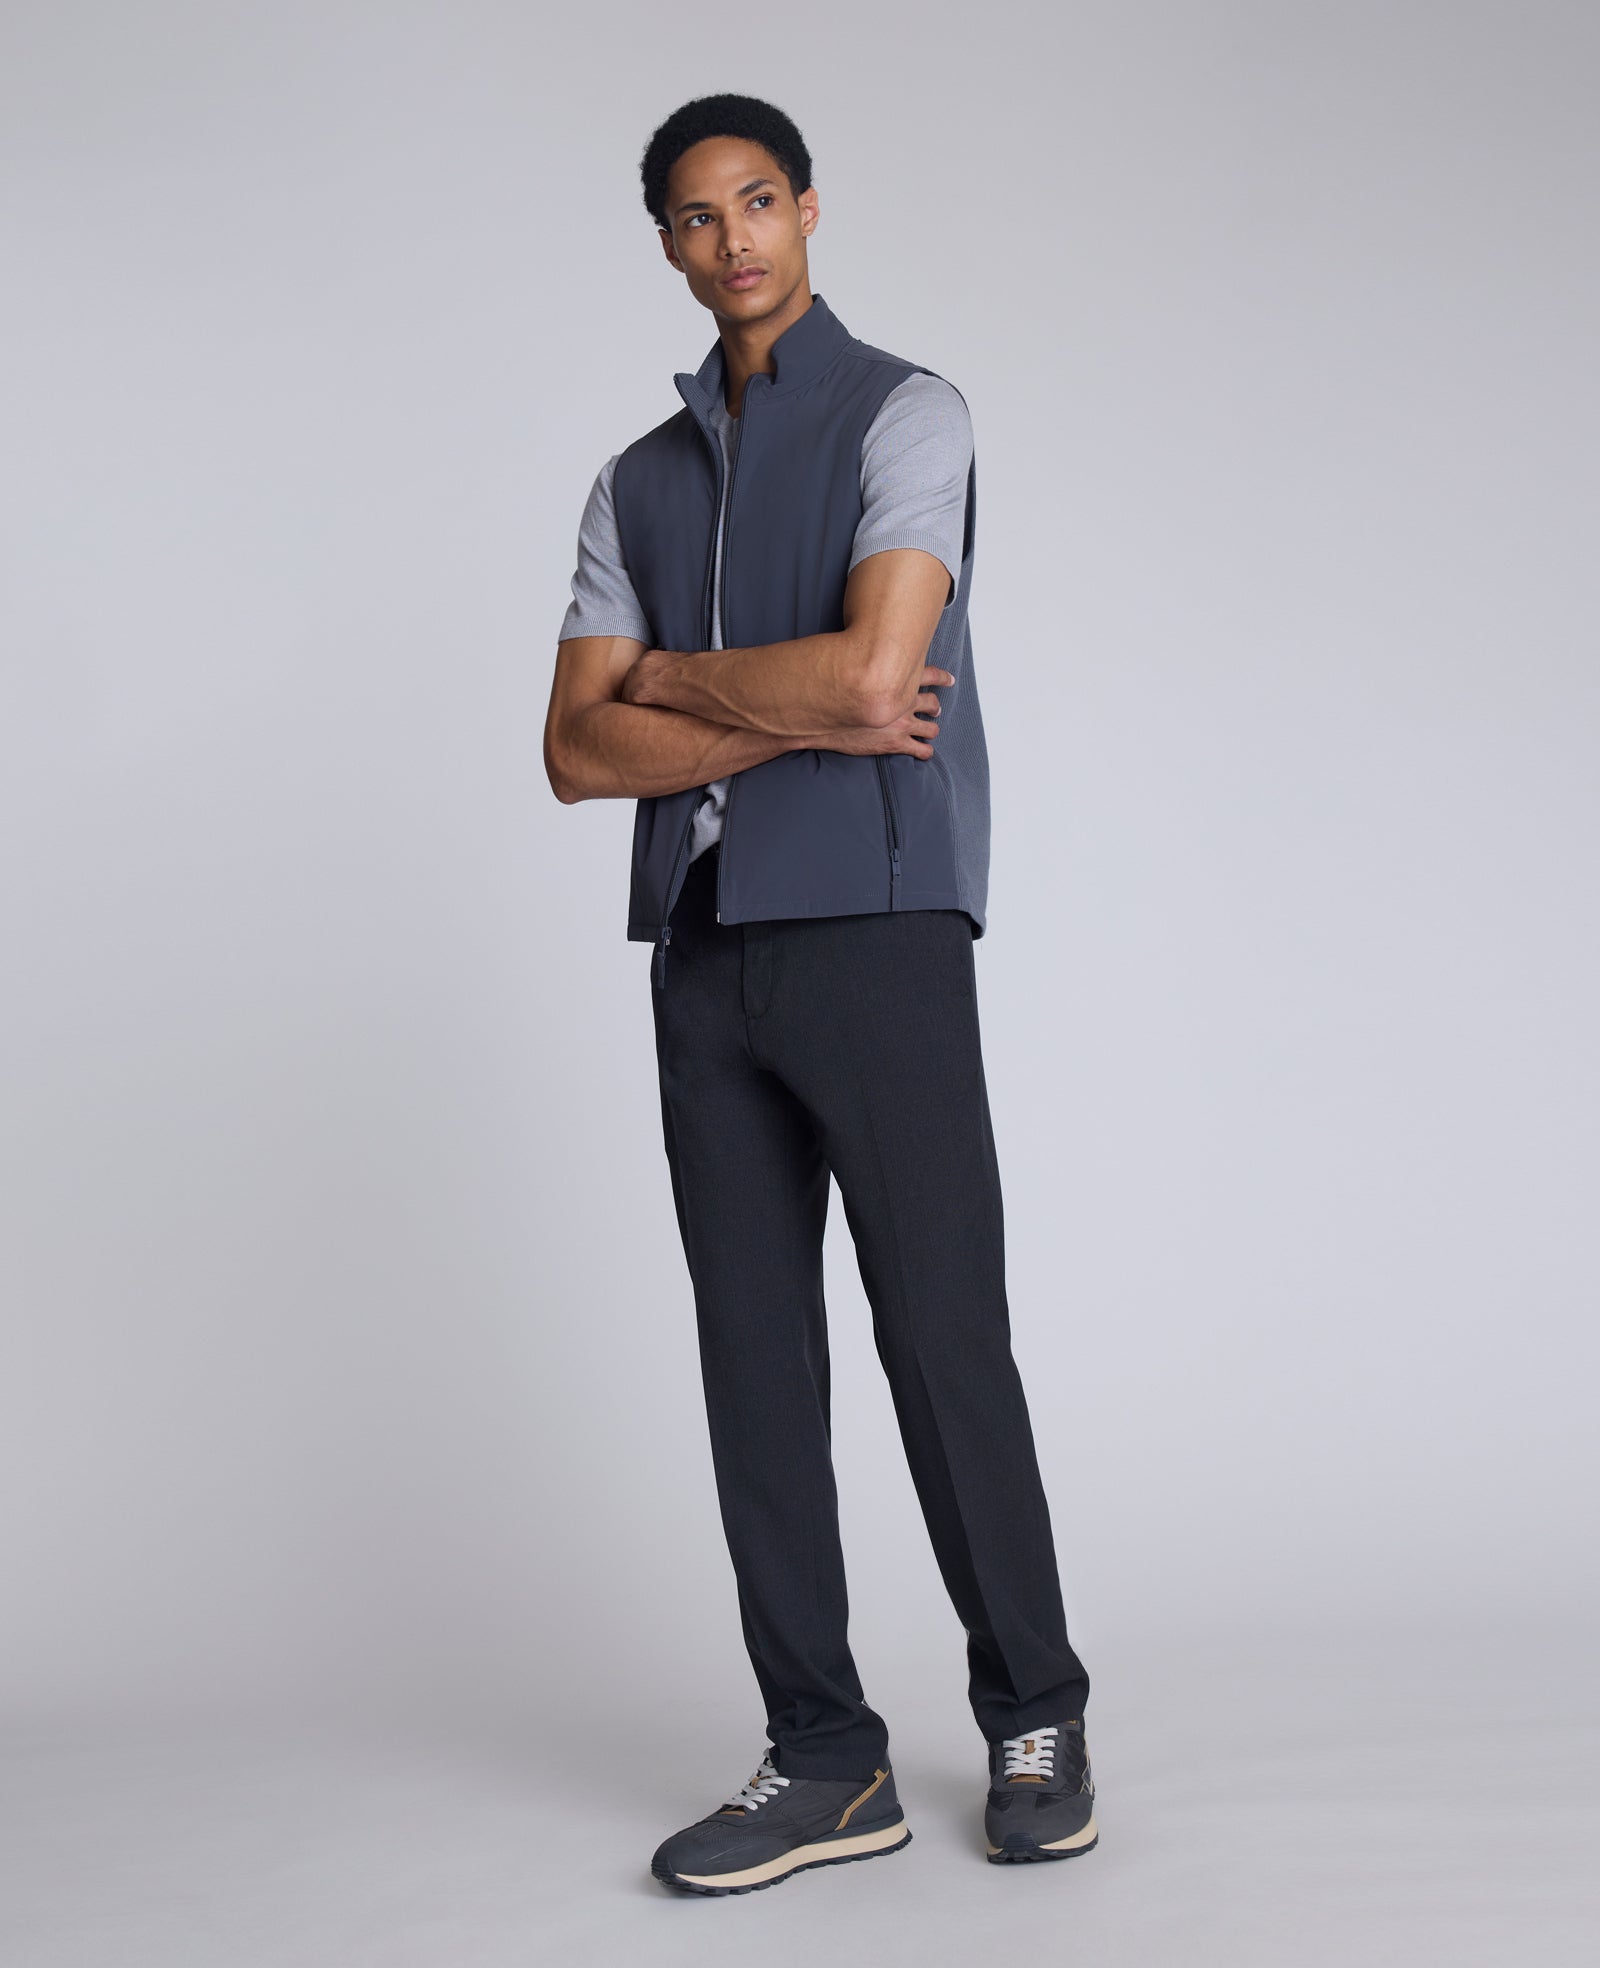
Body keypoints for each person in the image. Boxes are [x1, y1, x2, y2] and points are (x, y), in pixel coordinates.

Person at [544, 92, 1095, 1896]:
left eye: (759, 201)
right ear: (667, 243)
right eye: (698, 218)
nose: (735, 241)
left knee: (942, 1336)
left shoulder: (907, 413)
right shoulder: (632, 480)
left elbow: (881, 683)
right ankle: (825, 1758)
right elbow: (572, 750)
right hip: (703, 948)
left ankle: (1036, 1711)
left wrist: (672, 686)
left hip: (877, 925)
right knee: (753, 1363)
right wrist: (758, 699)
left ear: (805, 208)